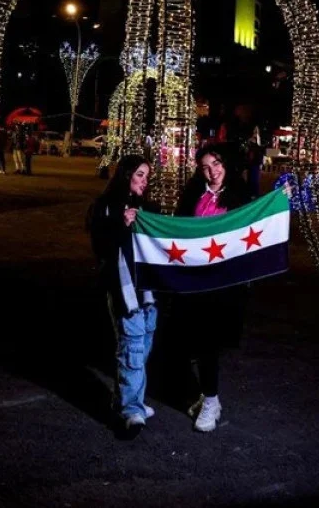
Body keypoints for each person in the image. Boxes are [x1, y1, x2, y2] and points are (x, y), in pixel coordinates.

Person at [169, 142, 251, 433]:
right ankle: (206, 395)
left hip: (223, 284)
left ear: (226, 164)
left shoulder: (241, 196)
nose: (211, 171)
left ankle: (212, 401)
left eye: (216, 164)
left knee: (208, 343)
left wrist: (280, 200)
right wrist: (139, 218)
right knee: (194, 341)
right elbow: (176, 229)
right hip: (194, 282)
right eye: (205, 166)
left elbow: (257, 225)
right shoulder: (193, 194)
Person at [87, 154, 158, 439]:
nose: (144, 181)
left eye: (147, 176)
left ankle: (129, 399)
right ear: (126, 175)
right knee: (132, 348)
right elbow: (100, 247)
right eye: (139, 174)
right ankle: (131, 411)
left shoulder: (149, 207)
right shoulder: (105, 206)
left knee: (144, 345)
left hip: (149, 291)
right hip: (124, 290)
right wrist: (120, 223)